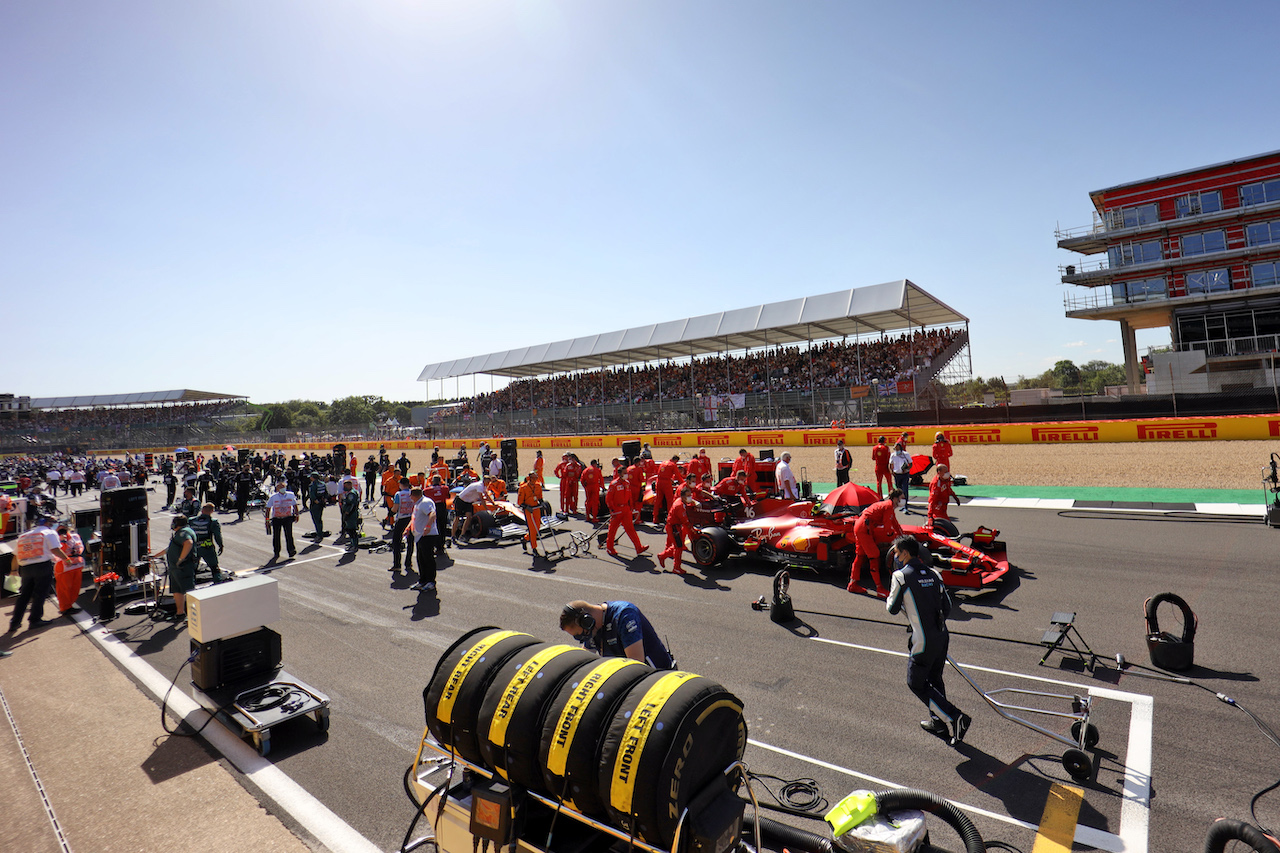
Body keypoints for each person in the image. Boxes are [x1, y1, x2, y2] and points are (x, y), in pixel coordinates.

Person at [886, 535, 970, 747]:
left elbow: (892, 609)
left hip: (923, 641)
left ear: (905, 554)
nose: (895, 556)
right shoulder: (934, 573)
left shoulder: (900, 576)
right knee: (934, 679)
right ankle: (937, 722)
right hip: (942, 635)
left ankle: (954, 716)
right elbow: (947, 606)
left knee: (915, 682)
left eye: (896, 553)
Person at [559, 600, 675, 669]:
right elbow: (584, 658)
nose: (580, 639)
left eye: (579, 635)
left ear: (587, 621)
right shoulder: (592, 628)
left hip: (658, 676)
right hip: (630, 676)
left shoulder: (624, 615)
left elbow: (636, 663)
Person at [7, 516, 69, 633]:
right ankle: (35, 620)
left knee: (24, 595)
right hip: (42, 566)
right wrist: (67, 560)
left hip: (25, 568)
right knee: (40, 594)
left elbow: (15, 555)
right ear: (48, 523)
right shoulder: (49, 533)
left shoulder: (24, 536)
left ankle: (15, 622)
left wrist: (14, 570)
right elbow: (55, 549)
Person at [849, 489, 905, 597]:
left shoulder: (888, 506)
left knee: (860, 555)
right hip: (864, 528)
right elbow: (888, 530)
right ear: (895, 498)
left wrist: (902, 536)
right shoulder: (888, 507)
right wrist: (896, 540)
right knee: (874, 555)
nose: (903, 500)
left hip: (862, 526)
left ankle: (853, 584)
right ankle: (879, 588)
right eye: (901, 498)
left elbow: (895, 524)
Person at [153, 515, 198, 625]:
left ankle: (193, 617)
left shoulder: (183, 532)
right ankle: (180, 613)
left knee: (189, 591)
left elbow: (189, 543)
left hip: (182, 567)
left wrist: (180, 559)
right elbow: (171, 548)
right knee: (177, 590)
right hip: (176, 569)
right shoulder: (179, 534)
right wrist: (155, 556)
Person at [605, 468, 647, 558]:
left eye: (626, 473)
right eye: (624, 473)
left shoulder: (627, 483)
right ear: (619, 474)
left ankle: (639, 547)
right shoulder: (614, 484)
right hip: (617, 510)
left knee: (631, 529)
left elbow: (630, 497)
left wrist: (631, 507)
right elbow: (608, 499)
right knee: (612, 530)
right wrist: (612, 510)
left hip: (626, 510)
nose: (626, 475)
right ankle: (609, 547)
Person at [657, 485, 694, 575]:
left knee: (678, 545)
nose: (690, 497)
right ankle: (676, 567)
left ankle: (663, 555)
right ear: (683, 496)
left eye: (690, 495)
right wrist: (693, 529)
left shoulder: (681, 502)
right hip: (673, 527)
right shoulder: (680, 506)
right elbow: (685, 521)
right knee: (678, 547)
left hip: (676, 526)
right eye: (688, 496)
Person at [190, 502, 228, 580]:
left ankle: (190, 586)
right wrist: (221, 545)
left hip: (193, 547)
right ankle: (218, 583)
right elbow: (217, 535)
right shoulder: (213, 522)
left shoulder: (191, 520)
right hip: (207, 548)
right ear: (212, 511)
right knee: (214, 568)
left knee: (192, 569)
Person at [409, 487, 437, 591]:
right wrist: (409, 528)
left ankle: (431, 581)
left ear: (414, 495)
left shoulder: (425, 502)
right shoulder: (418, 503)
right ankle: (423, 580)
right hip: (419, 535)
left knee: (428, 559)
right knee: (421, 559)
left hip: (427, 535)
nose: (410, 498)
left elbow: (432, 513)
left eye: (411, 495)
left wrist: (428, 526)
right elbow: (415, 517)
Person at [55, 522, 86, 615]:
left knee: (75, 587)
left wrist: (77, 550)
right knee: (65, 588)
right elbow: (59, 551)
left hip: (77, 565)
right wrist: (63, 541)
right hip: (64, 567)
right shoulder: (55, 538)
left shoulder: (75, 536)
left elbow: (80, 546)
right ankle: (65, 607)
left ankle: (69, 605)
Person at [263, 481, 298, 562]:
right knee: (276, 536)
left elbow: (295, 505)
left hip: (287, 517)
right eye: (280, 487)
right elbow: (268, 508)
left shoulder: (290, 495)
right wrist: (267, 520)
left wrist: (297, 514)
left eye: (283, 486)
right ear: (277, 489)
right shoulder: (273, 497)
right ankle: (276, 551)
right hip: (277, 518)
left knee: (289, 535)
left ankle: (291, 550)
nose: (283, 488)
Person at [389, 477, 415, 572]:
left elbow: (395, 509)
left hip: (401, 519)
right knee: (410, 542)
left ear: (400, 485)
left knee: (396, 542)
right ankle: (408, 562)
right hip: (411, 519)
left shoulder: (398, 494)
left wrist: (390, 513)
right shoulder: (413, 492)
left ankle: (397, 564)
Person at [424, 473, 450, 562]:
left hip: (432, 509)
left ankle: (435, 545)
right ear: (440, 481)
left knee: (434, 528)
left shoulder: (427, 490)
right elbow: (448, 496)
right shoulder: (445, 488)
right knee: (442, 528)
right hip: (442, 509)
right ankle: (441, 546)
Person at [452, 477, 488, 542]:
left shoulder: (484, 487)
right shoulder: (479, 485)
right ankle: (453, 535)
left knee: (469, 517)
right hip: (460, 500)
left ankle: (462, 535)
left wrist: (493, 503)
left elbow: (487, 496)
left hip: (468, 502)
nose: (488, 484)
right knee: (457, 517)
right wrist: (486, 509)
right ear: (484, 481)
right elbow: (481, 498)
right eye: (488, 482)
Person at [516, 472, 543, 557]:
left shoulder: (538, 486)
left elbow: (540, 498)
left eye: (536, 478)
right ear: (529, 478)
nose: (535, 480)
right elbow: (520, 502)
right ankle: (534, 548)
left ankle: (525, 539)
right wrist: (527, 507)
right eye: (533, 478)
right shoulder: (523, 488)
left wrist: (543, 504)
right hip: (529, 510)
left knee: (537, 528)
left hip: (536, 509)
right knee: (532, 530)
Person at [654, 455, 680, 524]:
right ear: (676, 460)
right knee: (670, 501)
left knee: (657, 501)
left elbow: (661, 473)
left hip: (659, 482)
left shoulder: (663, 462)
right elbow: (678, 476)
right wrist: (683, 483)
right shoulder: (673, 465)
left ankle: (655, 518)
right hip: (666, 484)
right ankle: (670, 518)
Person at [340, 479, 362, 552]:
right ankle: (352, 543)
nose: (344, 487)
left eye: (345, 485)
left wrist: (347, 513)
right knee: (349, 529)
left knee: (352, 530)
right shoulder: (350, 492)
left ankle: (355, 545)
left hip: (351, 514)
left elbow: (352, 505)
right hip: (351, 513)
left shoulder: (352, 494)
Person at [890, 442, 914, 507]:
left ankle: (905, 503)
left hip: (905, 474)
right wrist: (892, 471)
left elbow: (911, 463)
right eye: (895, 449)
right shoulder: (893, 455)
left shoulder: (906, 454)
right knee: (898, 489)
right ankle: (899, 501)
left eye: (897, 449)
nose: (896, 450)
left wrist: (907, 468)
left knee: (905, 489)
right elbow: (891, 464)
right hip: (897, 474)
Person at [307, 472, 329, 537]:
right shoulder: (322, 484)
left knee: (316, 519)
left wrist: (315, 501)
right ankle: (320, 531)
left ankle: (319, 534)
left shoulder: (312, 485)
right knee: (319, 518)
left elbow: (312, 495)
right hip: (322, 503)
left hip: (315, 504)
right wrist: (324, 499)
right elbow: (326, 493)